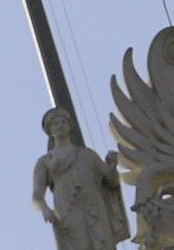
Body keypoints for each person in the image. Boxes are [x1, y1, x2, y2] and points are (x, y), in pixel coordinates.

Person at [31, 107, 129, 250]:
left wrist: (112, 166)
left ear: (70, 126)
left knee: (102, 243)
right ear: (50, 131)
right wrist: (45, 209)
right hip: (68, 211)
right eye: (55, 123)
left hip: (94, 207)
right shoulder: (46, 161)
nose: (60, 125)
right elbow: (36, 196)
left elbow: (112, 181)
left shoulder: (88, 154)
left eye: (63, 122)